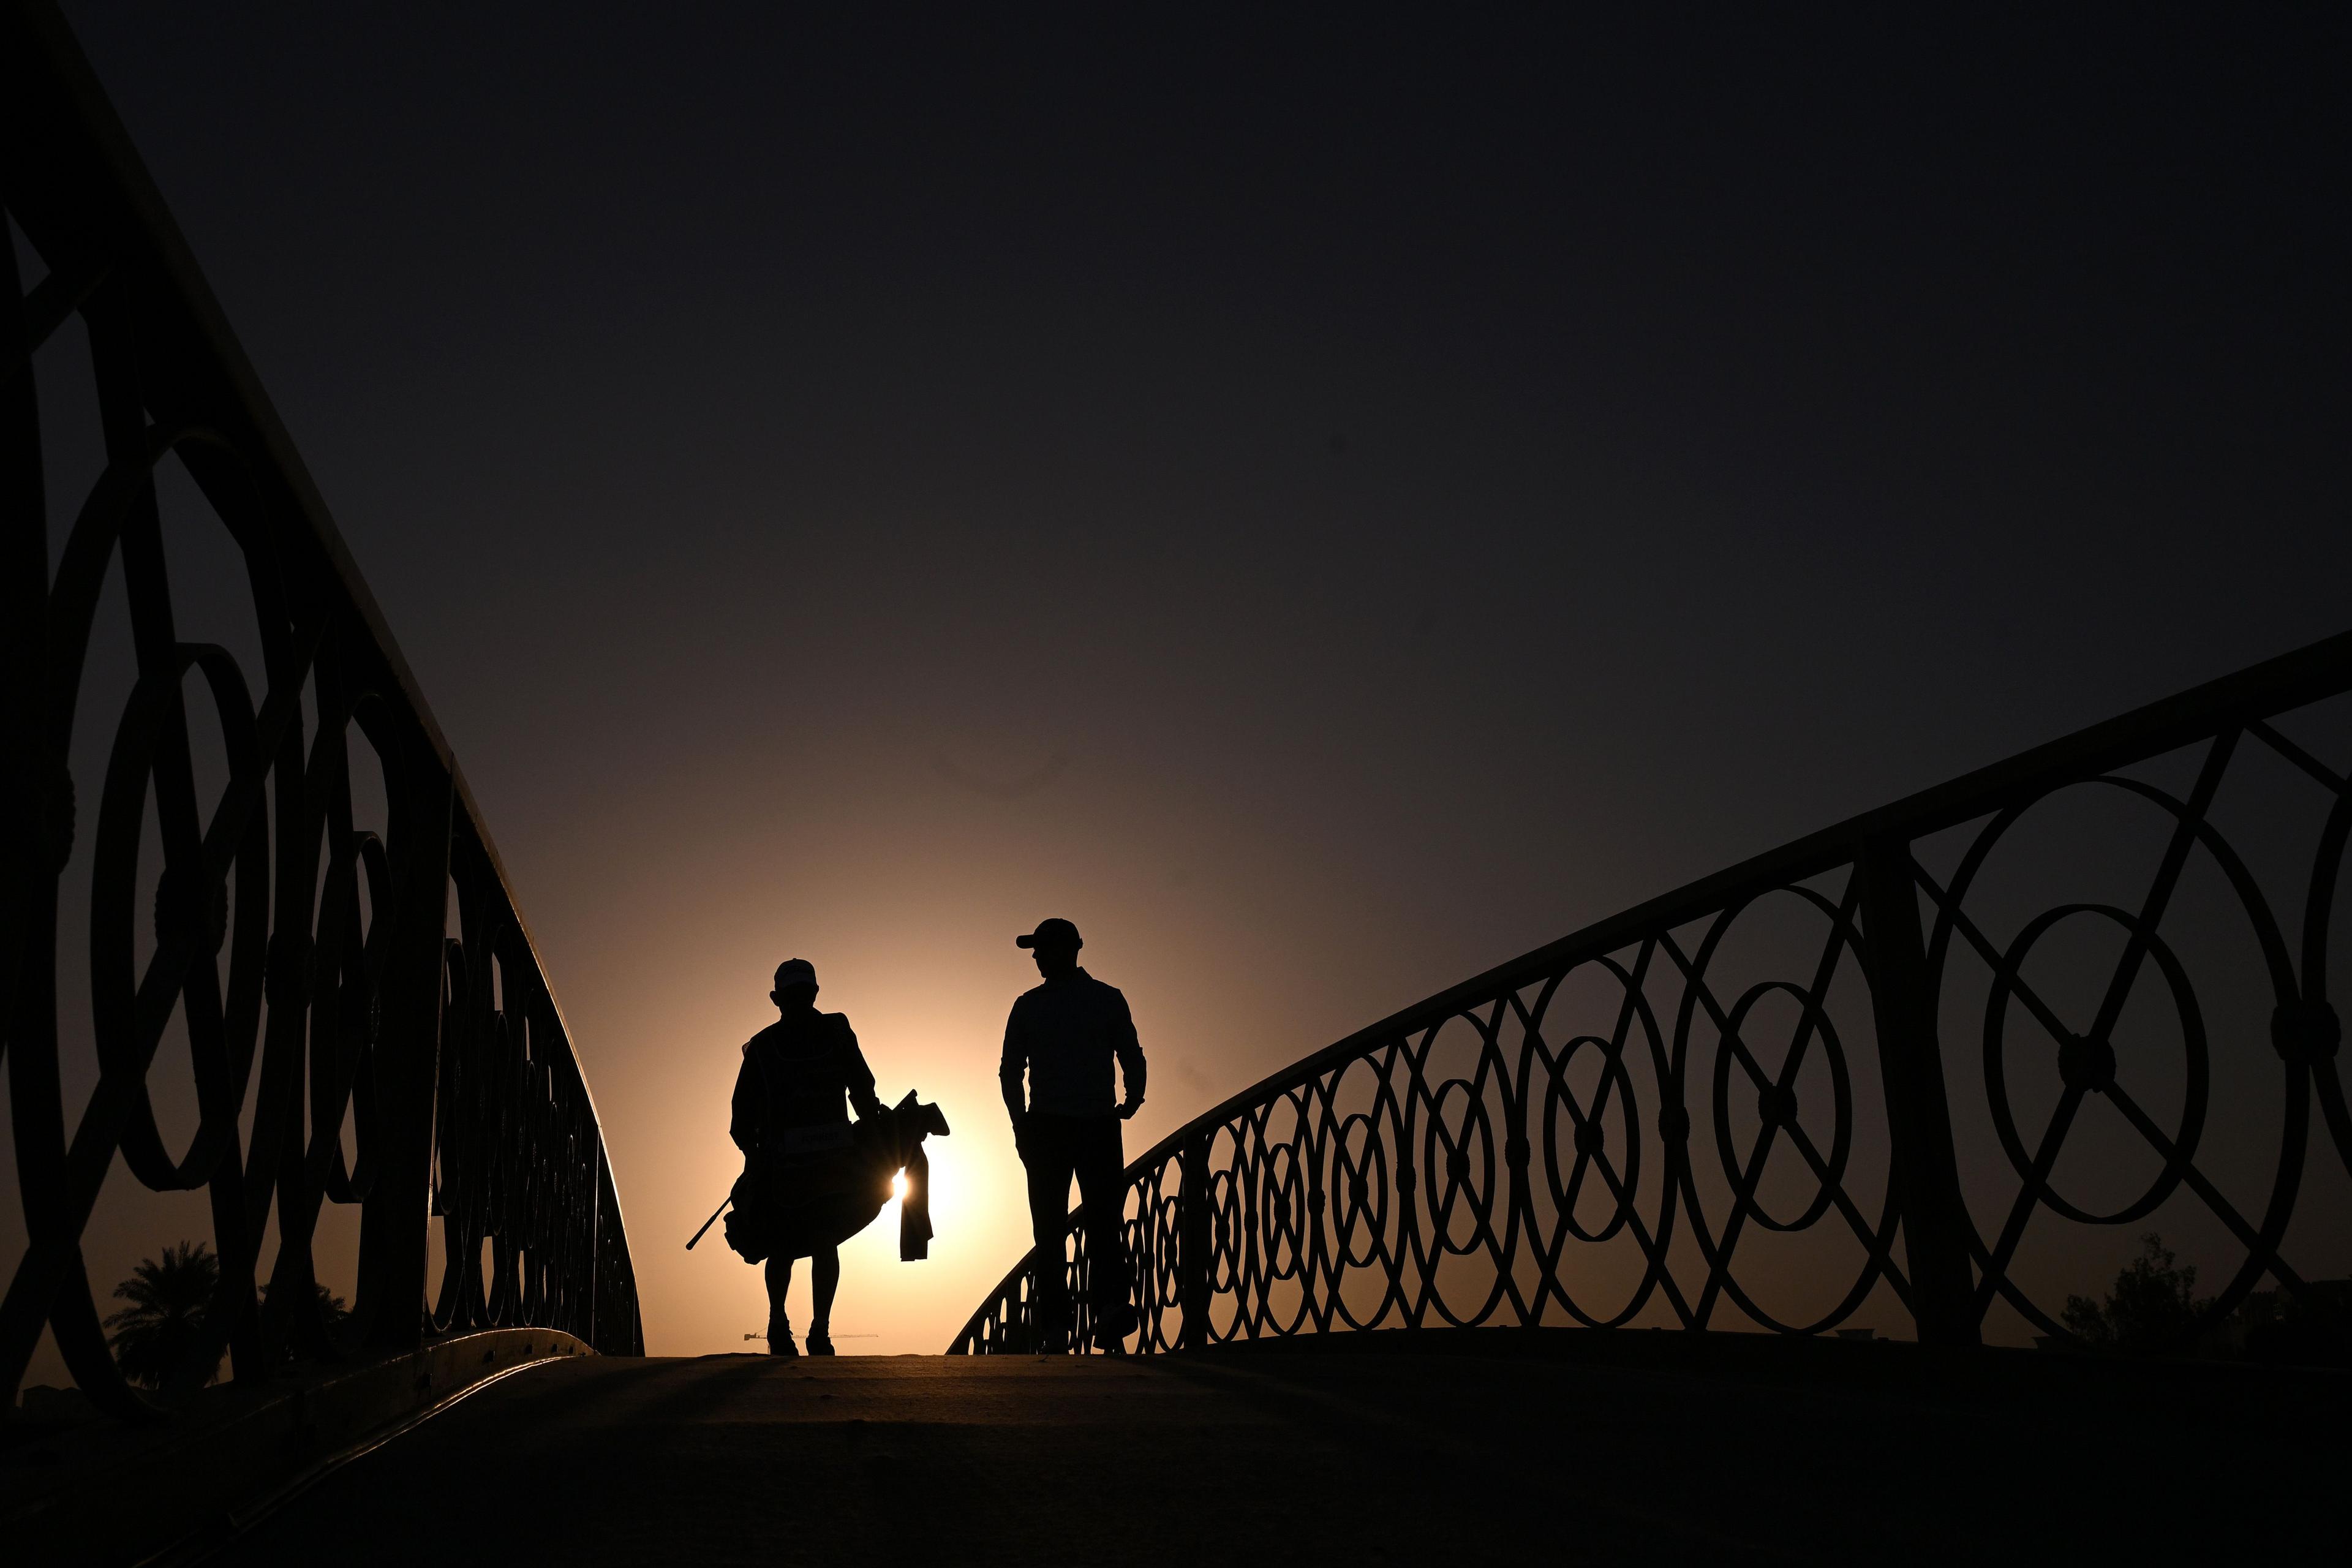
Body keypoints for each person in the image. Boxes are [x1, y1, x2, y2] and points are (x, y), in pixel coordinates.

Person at [1000, 918, 1146, 1351]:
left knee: (1049, 1231)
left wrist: (1020, 1124)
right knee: (1103, 1225)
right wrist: (1133, 1097)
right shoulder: (1106, 999)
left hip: (1049, 1129)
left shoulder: (1028, 1006)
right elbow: (1131, 1056)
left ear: (1066, 950)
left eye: (1041, 949)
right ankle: (1105, 1312)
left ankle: (1057, 1329)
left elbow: (1011, 1072)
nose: (1036, 958)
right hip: (1096, 1126)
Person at [731, 958, 883, 1357]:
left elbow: (740, 1120)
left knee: (798, 1243)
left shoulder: (767, 1046)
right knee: (817, 1242)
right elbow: (864, 1091)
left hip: (809, 1165)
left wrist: (754, 1154)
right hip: (818, 1165)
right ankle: (804, 1328)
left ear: (776, 998)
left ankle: (793, 1326)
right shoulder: (822, 1035)